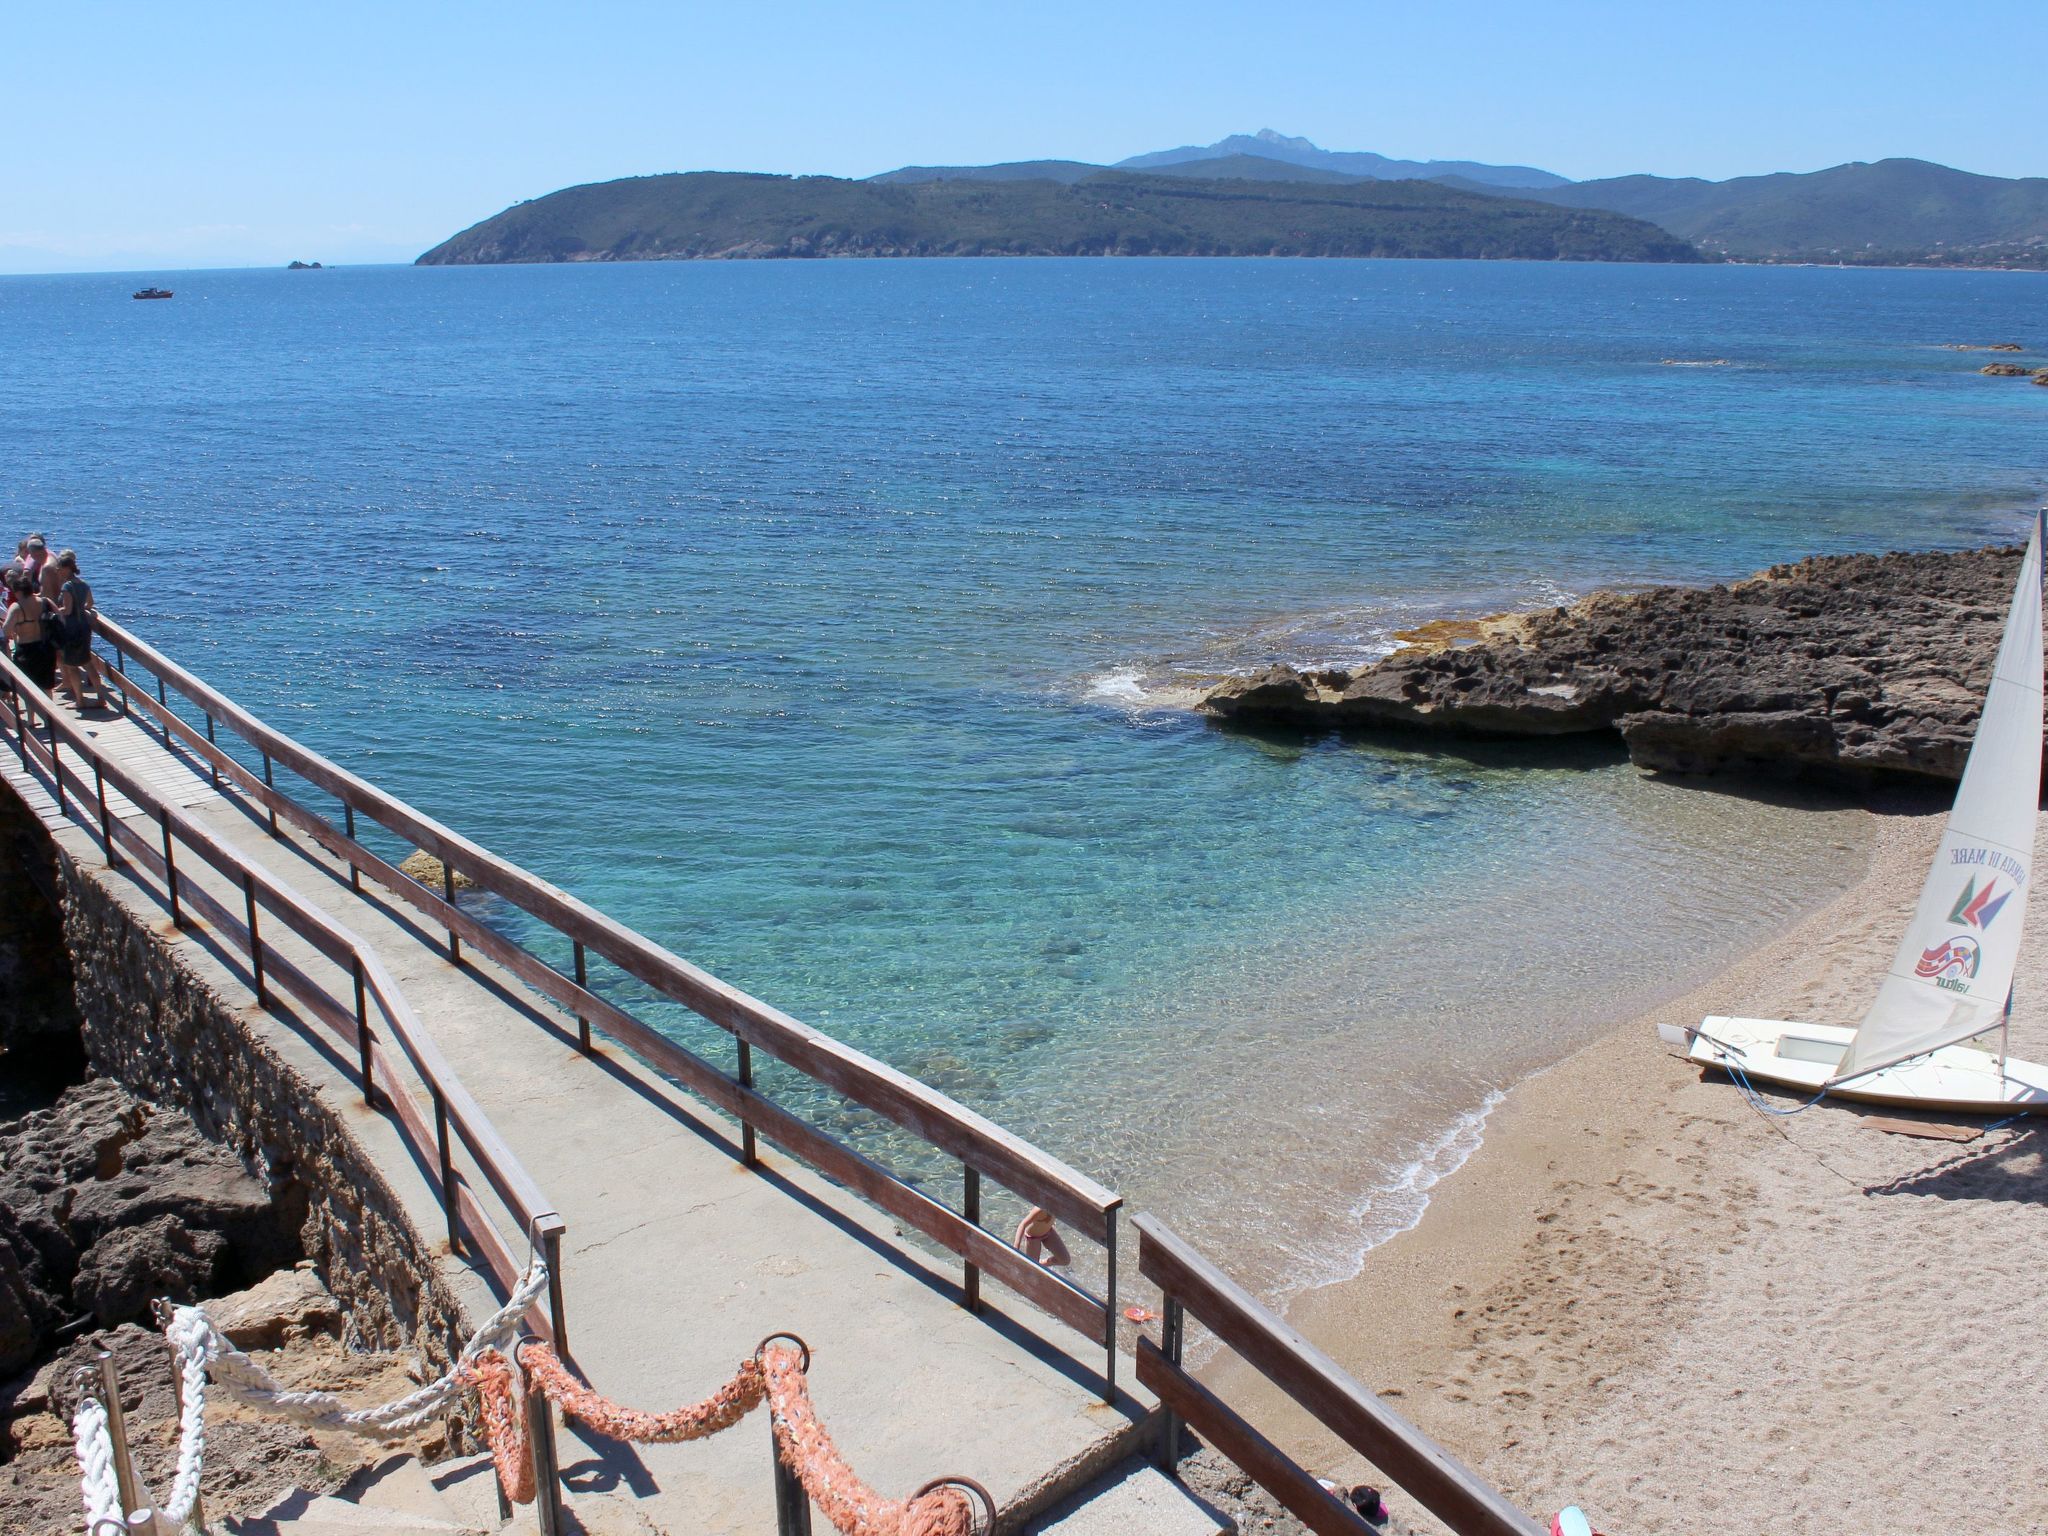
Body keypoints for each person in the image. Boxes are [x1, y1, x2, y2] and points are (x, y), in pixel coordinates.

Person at [52, 551, 105, 710]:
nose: (58, 571)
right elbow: (90, 603)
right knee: (88, 663)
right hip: (84, 627)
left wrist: (53, 610)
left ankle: (80, 701)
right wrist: (82, 610)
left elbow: (67, 610)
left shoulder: (67, 586)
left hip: (71, 628)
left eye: (59, 568)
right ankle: (100, 698)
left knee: (71, 666)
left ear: (67, 569)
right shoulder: (83, 584)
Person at [5, 570, 58, 721]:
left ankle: (31, 720)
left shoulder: (16, 607)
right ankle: (49, 720)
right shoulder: (44, 602)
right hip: (46, 648)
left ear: (19, 591)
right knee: (47, 685)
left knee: (29, 687)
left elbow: (6, 630)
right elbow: (60, 619)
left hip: (26, 650)